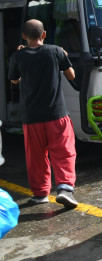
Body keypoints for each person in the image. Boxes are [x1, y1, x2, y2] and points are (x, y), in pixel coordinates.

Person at [7, 19, 78, 209]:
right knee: (63, 152)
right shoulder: (55, 51)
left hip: (31, 117)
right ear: (44, 34)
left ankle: (40, 194)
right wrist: (63, 57)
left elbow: (14, 81)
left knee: (36, 156)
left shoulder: (18, 56)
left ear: (24, 36)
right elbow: (71, 75)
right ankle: (64, 188)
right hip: (57, 114)